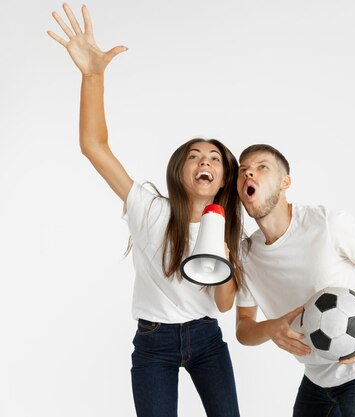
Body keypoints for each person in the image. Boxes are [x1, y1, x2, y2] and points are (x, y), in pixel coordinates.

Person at [48, 4, 241, 417]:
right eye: (194, 156)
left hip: (207, 339)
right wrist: (93, 77)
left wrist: (223, 252)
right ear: (180, 169)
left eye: (213, 159)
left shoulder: (230, 232)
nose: (204, 162)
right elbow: (94, 147)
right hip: (154, 342)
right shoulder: (148, 209)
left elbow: (224, 305)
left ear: (224, 178)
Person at [235, 144, 355, 417]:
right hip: (315, 379)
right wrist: (270, 329)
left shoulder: (328, 224)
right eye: (243, 171)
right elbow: (243, 329)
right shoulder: (247, 255)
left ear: (285, 182)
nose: (248, 174)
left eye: (261, 167)